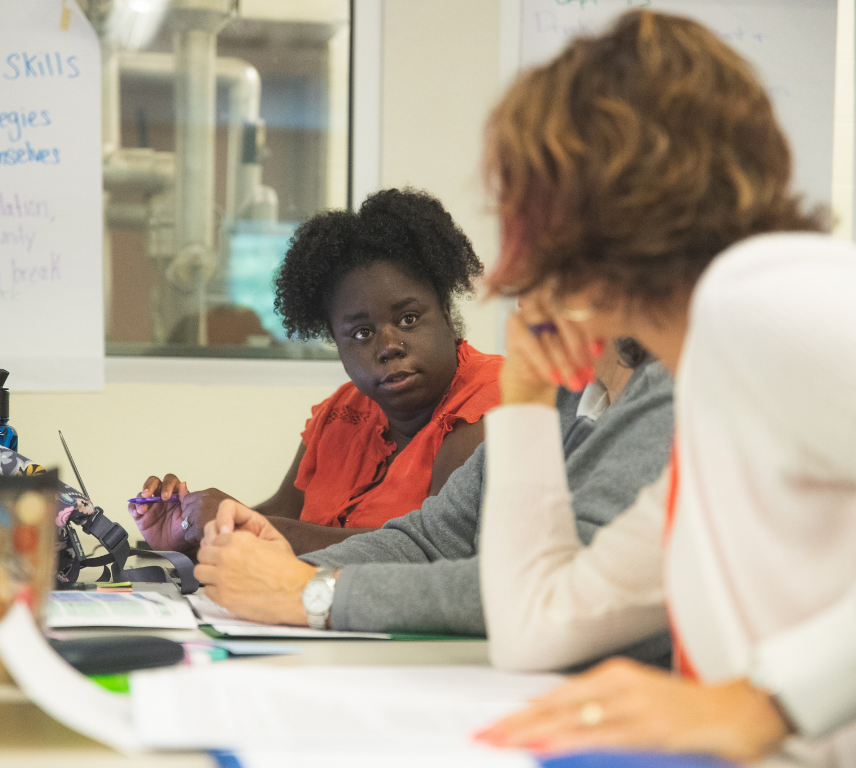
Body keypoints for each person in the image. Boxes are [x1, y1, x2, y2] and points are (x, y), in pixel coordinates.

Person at [467, 10, 853, 765]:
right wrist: (521, 394)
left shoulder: (762, 296)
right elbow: (534, 627)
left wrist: (762, 702)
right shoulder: (714, 389)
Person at [192, 340, 673, 653]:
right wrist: (295, 570)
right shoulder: (568, 395)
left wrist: (309, 594)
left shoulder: (670, 394)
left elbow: (552, 589)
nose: (513, 284)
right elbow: (432, 537)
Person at [131, 188, 501, 558]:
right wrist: (188, 537)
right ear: (337, 345)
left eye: (408, 319)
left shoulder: (491, 401)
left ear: (448, 319)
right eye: (361, 333)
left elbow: (433, 550)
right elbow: (280, 514)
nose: (388, 345)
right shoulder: (340, 413)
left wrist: (242, 524)